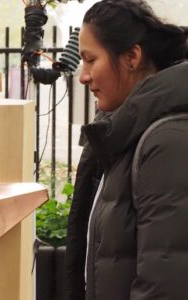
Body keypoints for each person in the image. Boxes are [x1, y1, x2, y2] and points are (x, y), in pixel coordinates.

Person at [63, 1, 188, 299]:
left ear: (132, 56)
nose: (83, 76)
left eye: (90, 60)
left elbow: (165, 283)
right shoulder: (122, 135)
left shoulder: (167, 141)